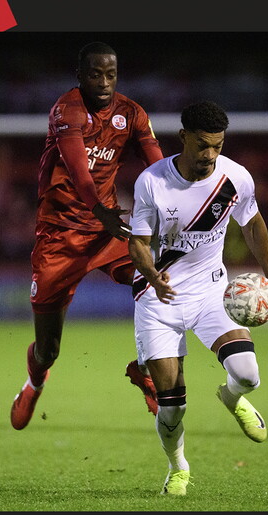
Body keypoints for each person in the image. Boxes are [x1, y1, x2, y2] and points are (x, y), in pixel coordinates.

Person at [127, 100, 268, 495]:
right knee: (171, 407)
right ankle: (178, 467)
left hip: (211, 293)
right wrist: (152, 275)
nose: (210, 155)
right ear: (183, 137)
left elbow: (253, 227)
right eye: (202, 145)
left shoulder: (235, 178)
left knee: (248, 375)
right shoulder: (152, 181)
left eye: (217, 146)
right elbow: (137, 244)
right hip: (157, 299)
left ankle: (232, 398)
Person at [11, 41, 163, 431]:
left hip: (106, 233)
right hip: (60, 237)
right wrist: (101, 212)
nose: (104, 82)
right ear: (80, 75)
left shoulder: (131, 114)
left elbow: (160, 168)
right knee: (48, 349)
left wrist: (184, 203)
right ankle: (34, 381)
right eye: (96, 74)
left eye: (111, 74)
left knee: (159, 282)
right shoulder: (67, 110)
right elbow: (79, 171)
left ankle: (143, 368)